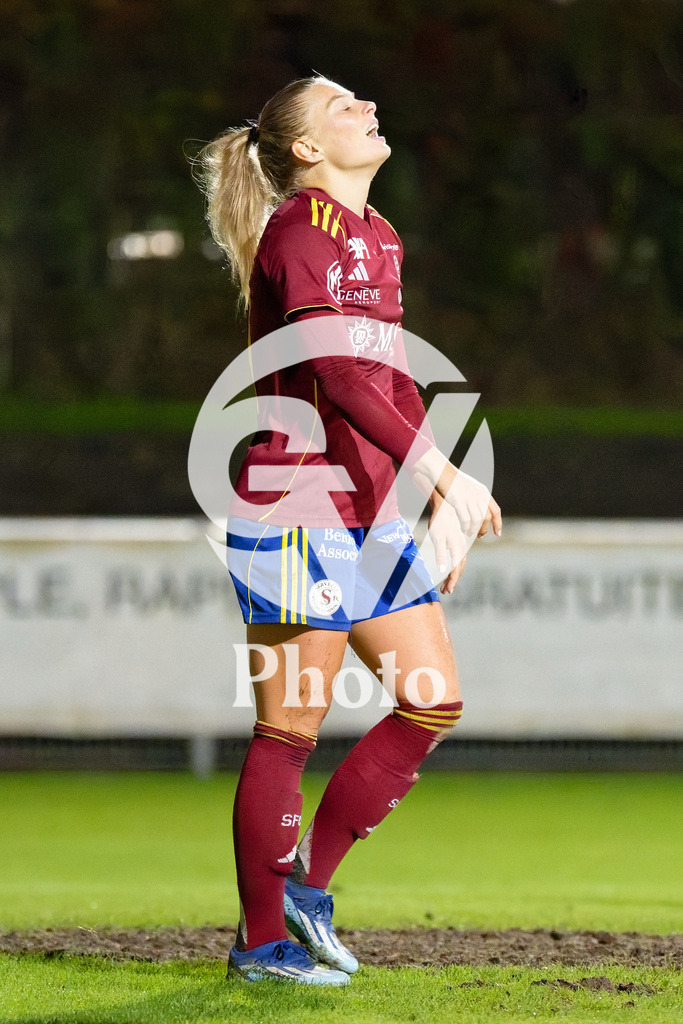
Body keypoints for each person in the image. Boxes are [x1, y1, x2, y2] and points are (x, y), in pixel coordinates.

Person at [195, 75, 502, 986]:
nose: (368, 106)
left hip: (366, 516)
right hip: (294, 505)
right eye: (343, 106)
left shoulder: (378, 235)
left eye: (365, 97)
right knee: (289, 731)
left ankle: (305, 890)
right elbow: (330, 364)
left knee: (432, 700)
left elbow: (391, 377)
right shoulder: (299, 232)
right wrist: (436, 469)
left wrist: (428, 494)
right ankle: (259, 944)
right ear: (304, 150)